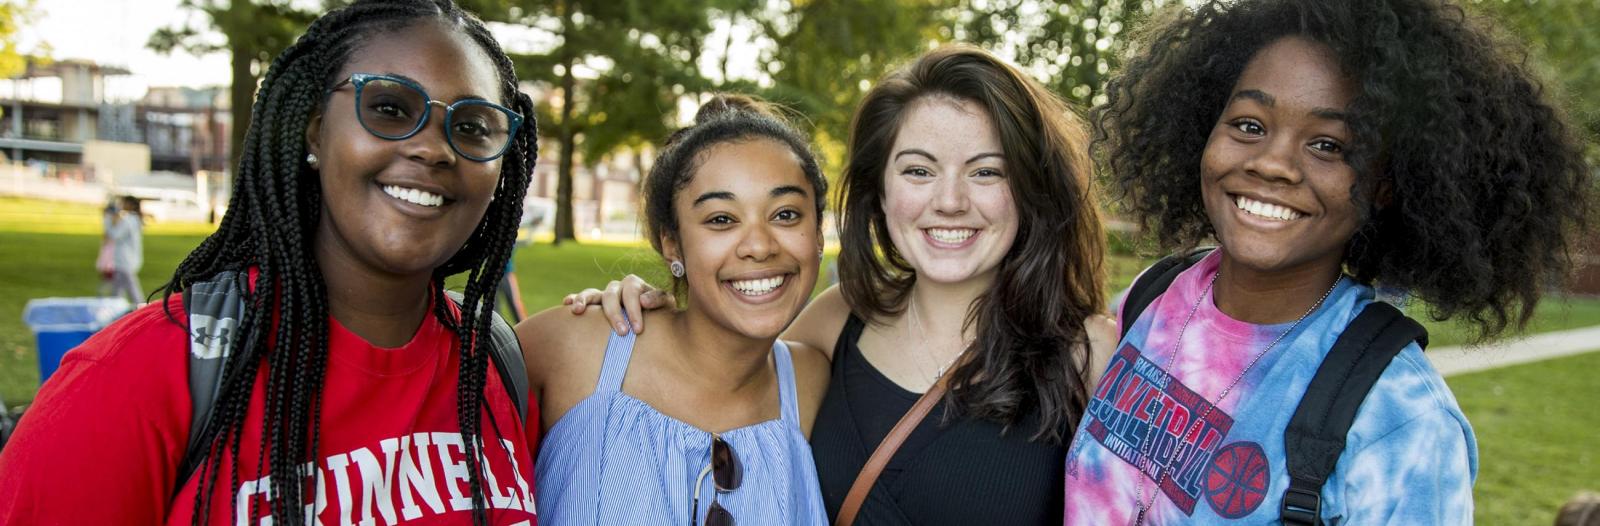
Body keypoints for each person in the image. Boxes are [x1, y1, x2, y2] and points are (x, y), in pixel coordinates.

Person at [0, 1, 540, 524]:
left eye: (473, 127)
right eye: (389, 109)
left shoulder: (494, 365)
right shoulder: (134, 377)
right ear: (315, 129)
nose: (434, 149)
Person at [1063, 0, 1592, 524]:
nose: (1273, 164)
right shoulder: (1155, 296)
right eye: (1249, 125)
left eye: (1328, 146)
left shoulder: (1403, 421)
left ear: (1385, 185)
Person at [568, 46, 1118, 524]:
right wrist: (646, 306)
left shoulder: (1090, 354)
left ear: (1030, 187)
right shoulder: (837, 319)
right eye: (919, 170)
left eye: (986, 171)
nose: (950, 201)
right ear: (880, 190)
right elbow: (719, 387)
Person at [517, 94, 832, 525]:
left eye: (786, 214)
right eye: (721, 219)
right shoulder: (571, 349)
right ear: (672, 244)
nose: (759, 245)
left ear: (818, 234)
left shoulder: (814, 382)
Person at [106, 195, 146, 304]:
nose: (121, 205)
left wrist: (108, 220)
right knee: (118, 286)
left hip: (124, 258)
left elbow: (115, 235)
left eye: (123, 202)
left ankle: (140, 305)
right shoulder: (135, 219)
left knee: (131, 286)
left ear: (130, 204)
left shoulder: (128, 220)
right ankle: (115, 304)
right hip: (130, 257)